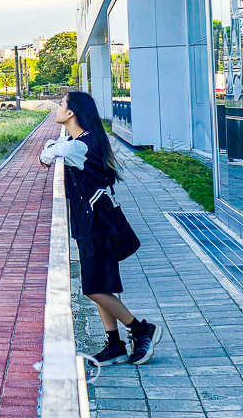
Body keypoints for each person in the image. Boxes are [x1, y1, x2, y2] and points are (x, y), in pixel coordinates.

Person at [39, 91, 161, 366]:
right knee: (102, 285)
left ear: (71, 113)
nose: (58, 108)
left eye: (61, 105)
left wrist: (50, 147)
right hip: (91, 222)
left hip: (98, 224)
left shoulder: (80, 146)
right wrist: (50, 147)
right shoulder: (80, 141)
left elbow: (50, 154)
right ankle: (115, 344)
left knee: (93, 288)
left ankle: (141, 330)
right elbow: (51, 151)